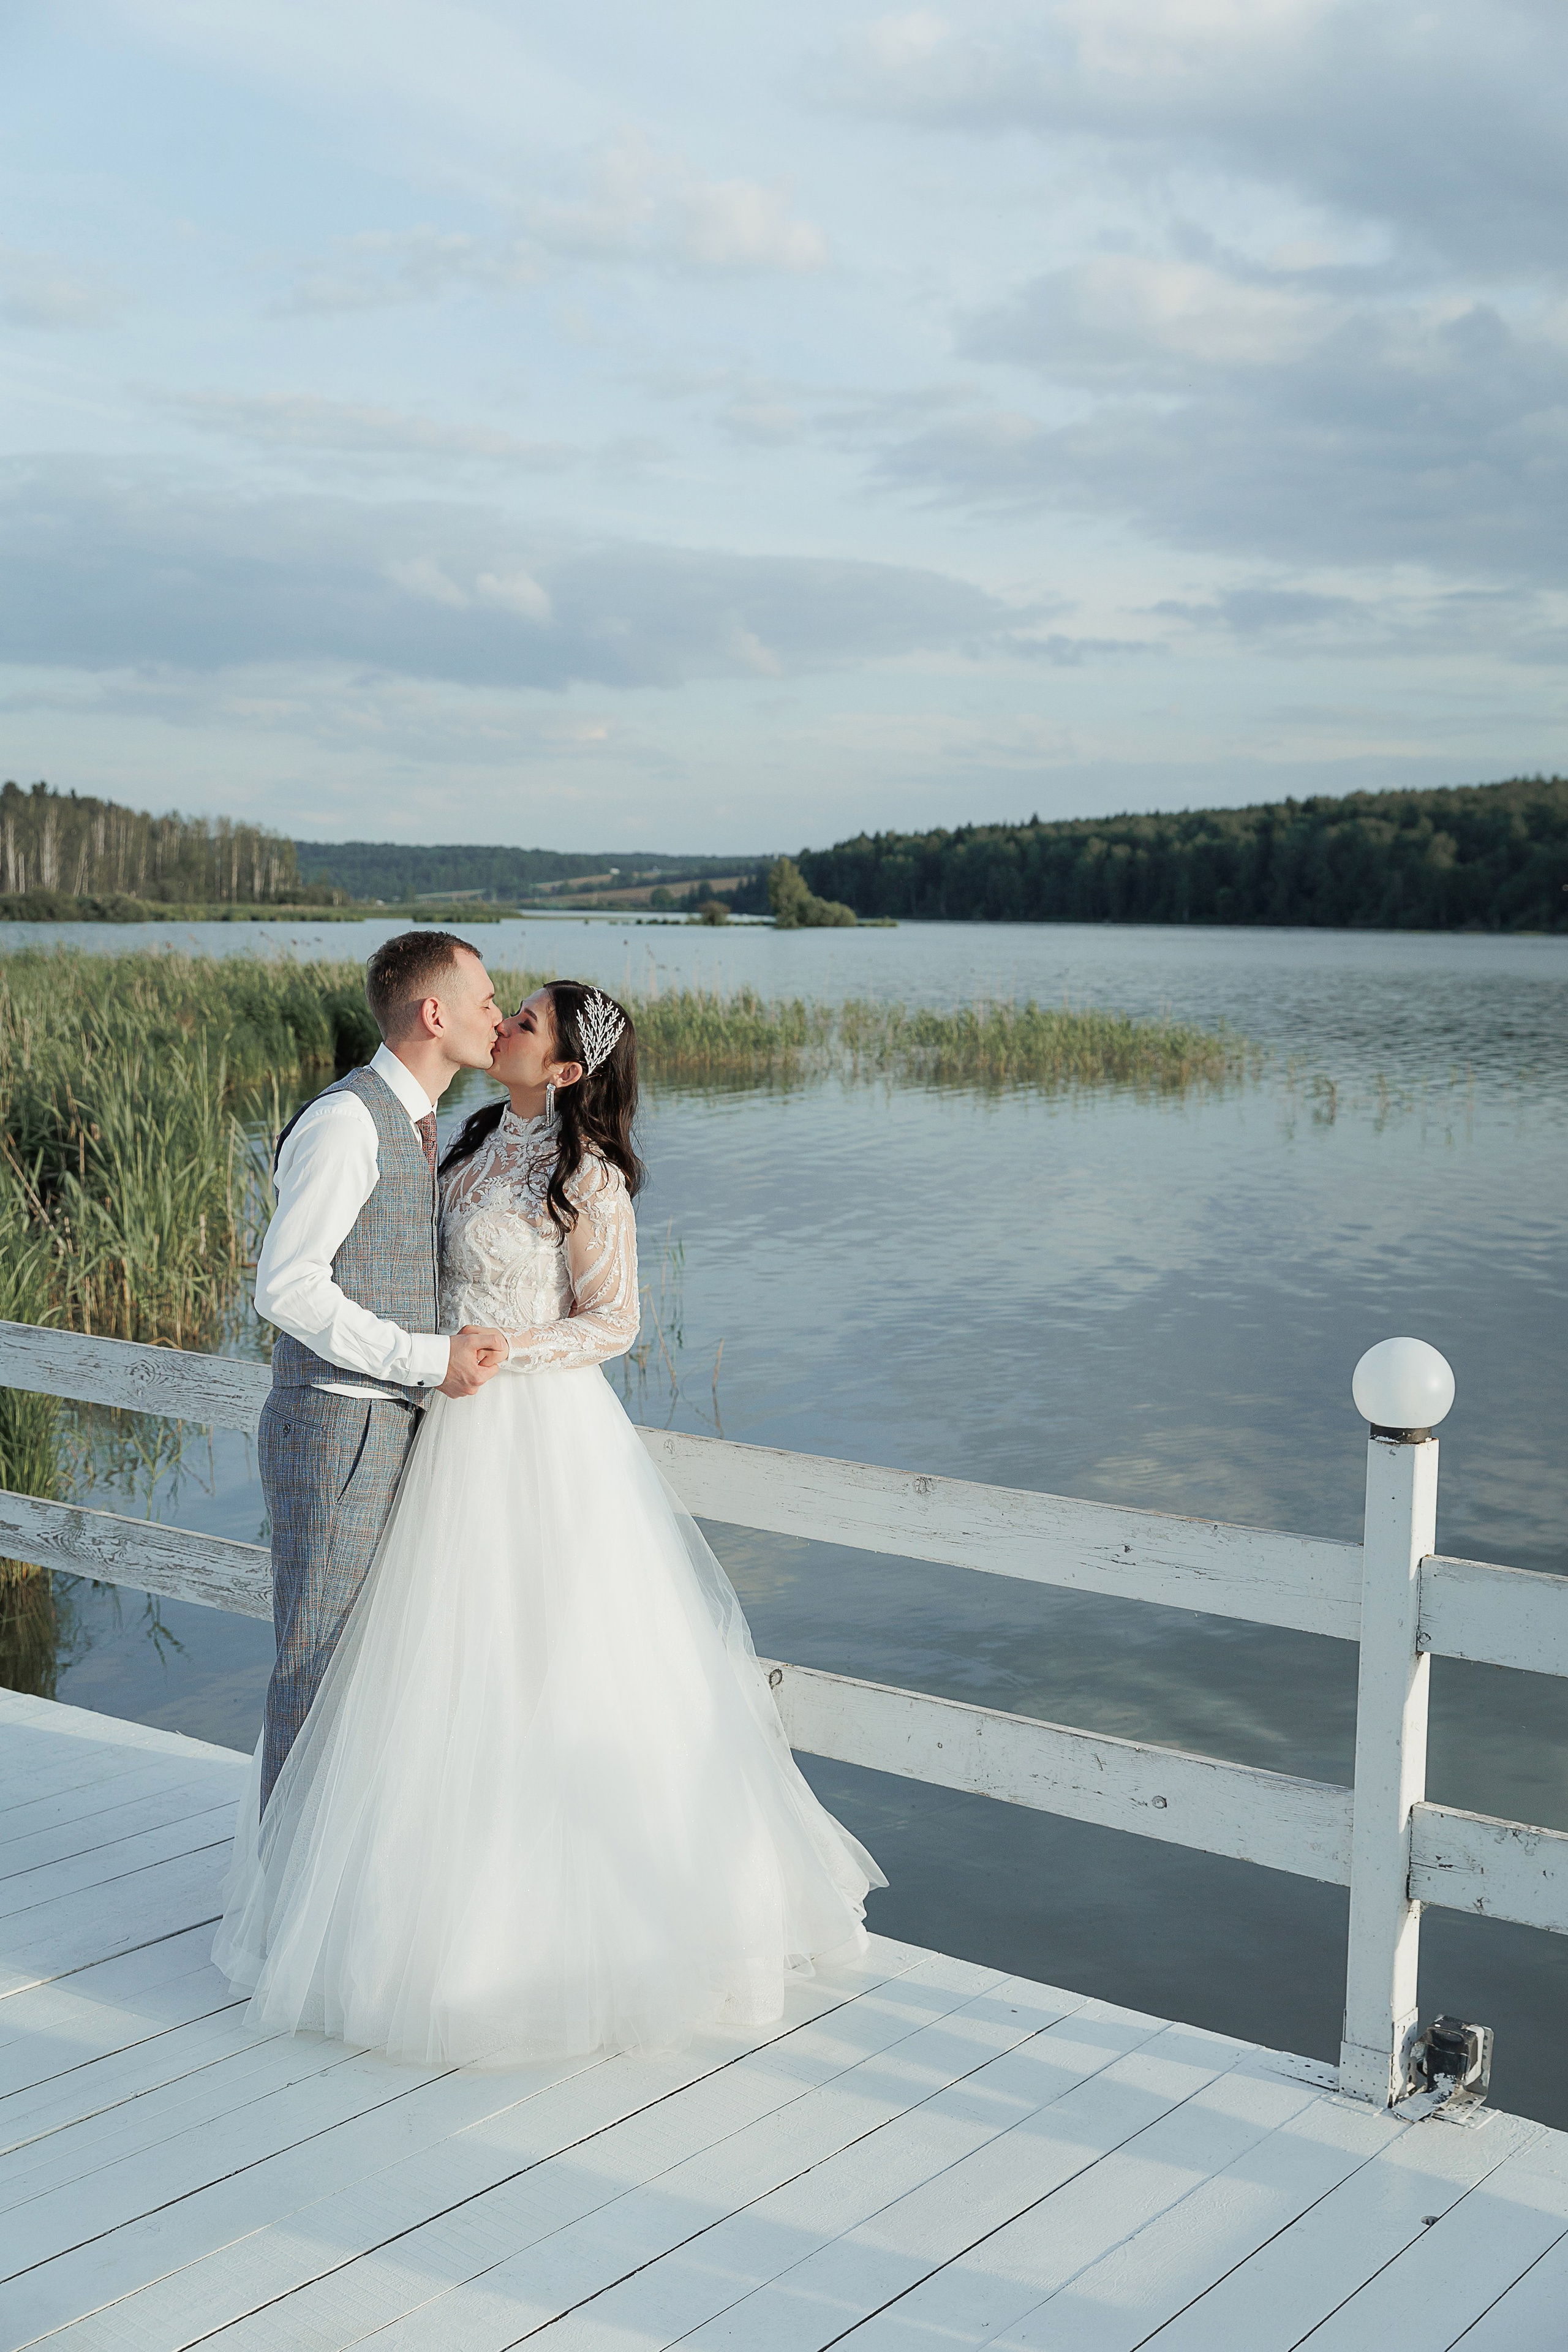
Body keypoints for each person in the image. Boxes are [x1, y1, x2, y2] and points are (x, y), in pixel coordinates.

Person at [215, 981, 883, 2064]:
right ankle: (412, 1911)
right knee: (439, 1665)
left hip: (538, 1431)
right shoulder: (469, 1139)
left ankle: (584, 1928)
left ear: (566, 1071)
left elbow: (614, 1322)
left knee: (558, 1656)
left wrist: (502, 1357)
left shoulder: (591, 1174)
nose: (505, 1026)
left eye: (525, 1023)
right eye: (506, 1008)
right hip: (450, 1427)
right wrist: (443, 1362)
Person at [252, 930, 508, 1808]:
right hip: (338, 1427)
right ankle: (284, 1911)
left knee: (378, 1671)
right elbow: (286, 1289)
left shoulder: (411, 1124)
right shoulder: (346, 1120)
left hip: (386, 1426)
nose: (499, 1015)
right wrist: (426, 1358)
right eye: (485, 999)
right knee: (317, 1666)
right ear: (433, 1014)